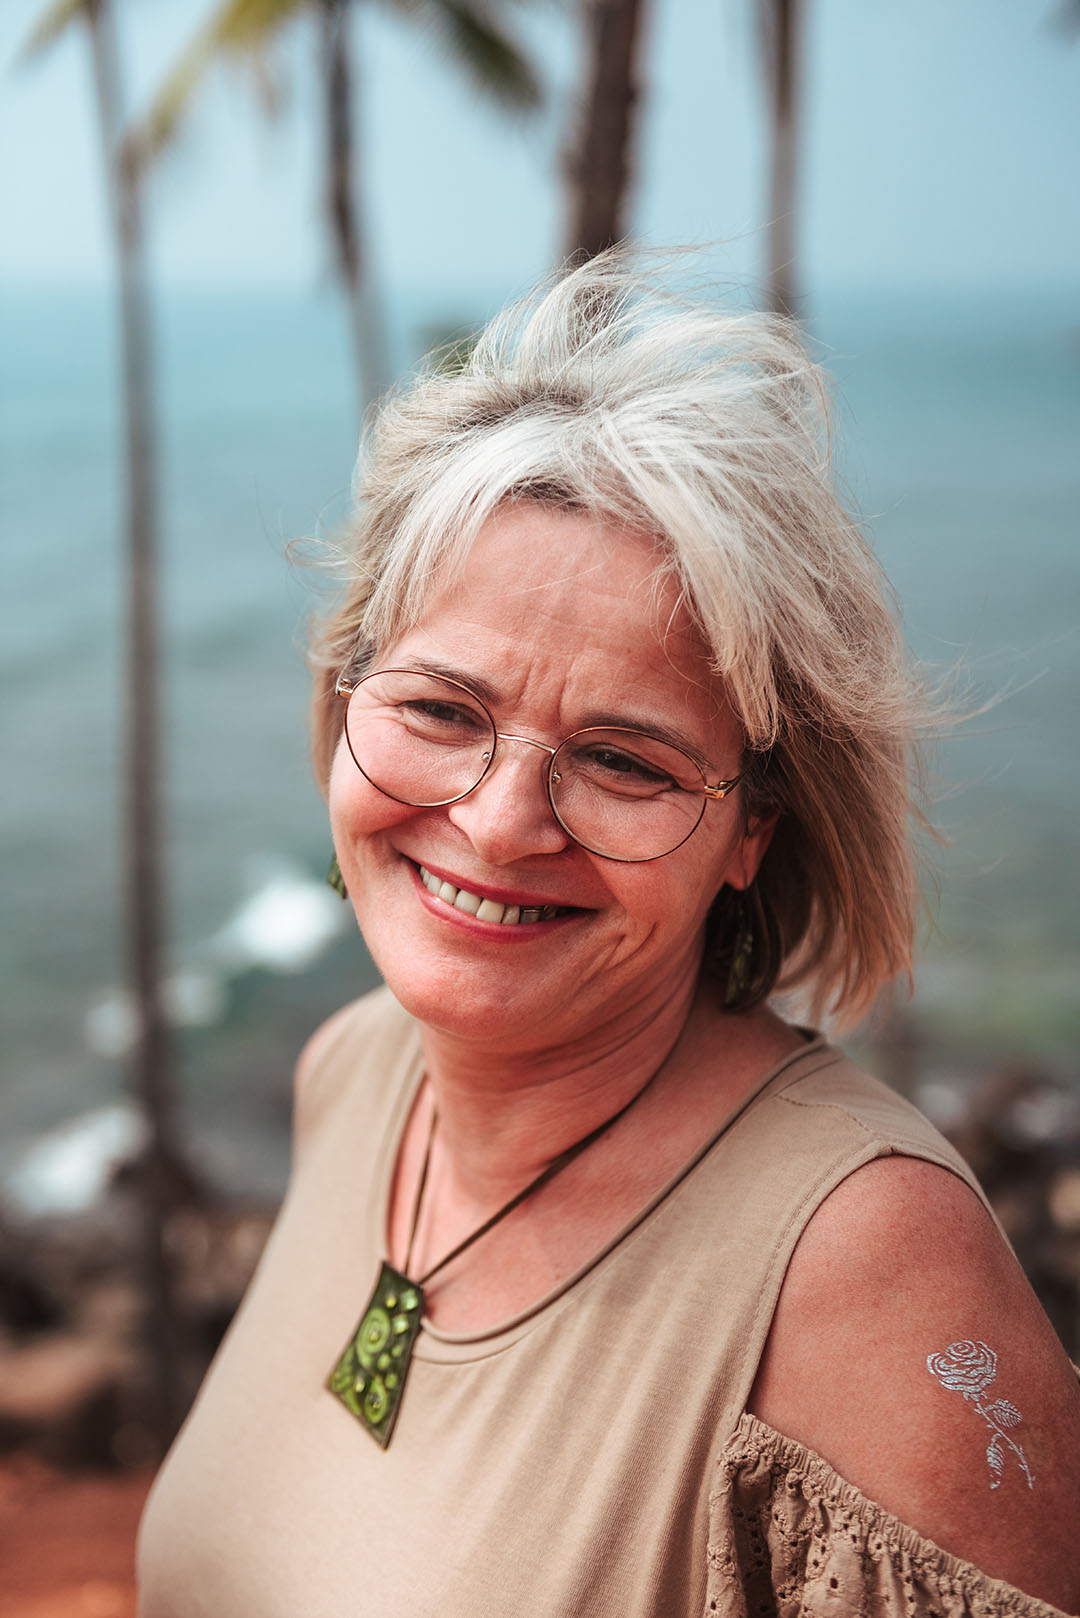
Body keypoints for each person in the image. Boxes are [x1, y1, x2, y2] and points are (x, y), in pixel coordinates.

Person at [136, 254, 1080, 1616]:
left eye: (624, 760)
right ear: (346, 700)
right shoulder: (351, 1071)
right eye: (441, 710)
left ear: (752, 832)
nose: (500, 822)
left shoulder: (871, 1270)